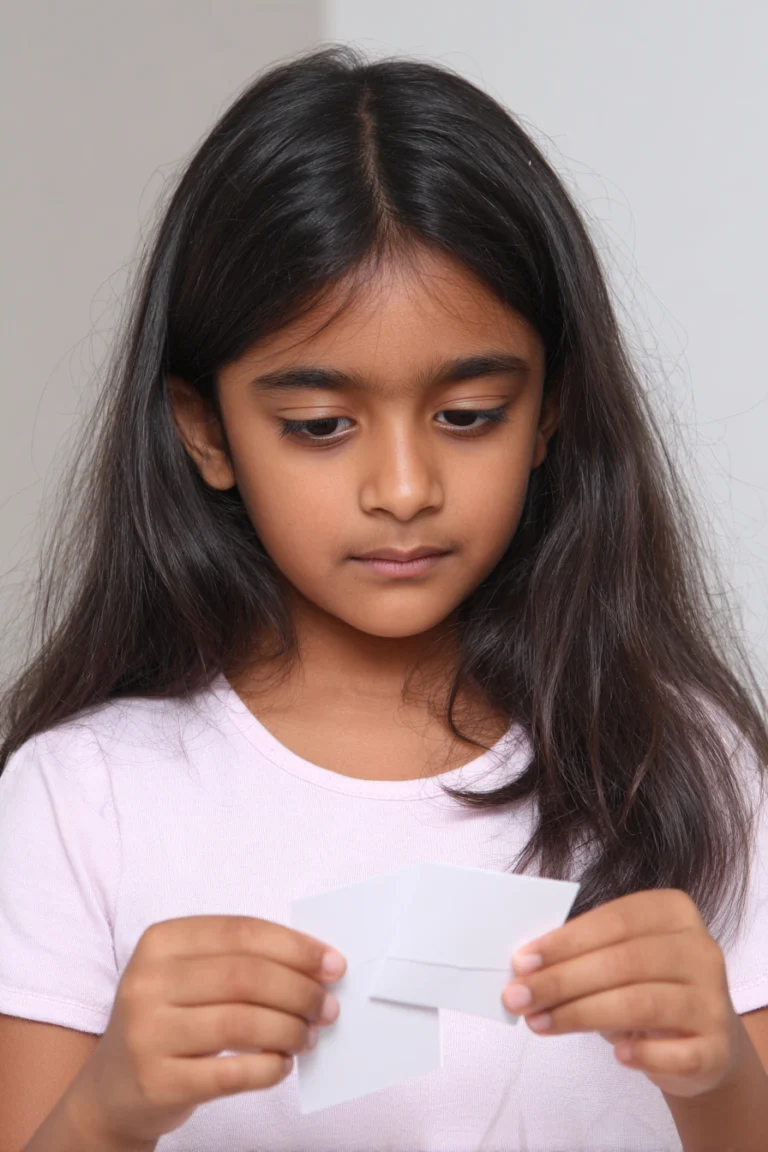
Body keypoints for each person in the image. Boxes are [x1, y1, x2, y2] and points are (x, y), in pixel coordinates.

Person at [0, 43, 767, 1152]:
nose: (402, 490)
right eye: (320, 427)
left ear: (551, 411)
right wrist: (111, 1111)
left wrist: (721, 1087)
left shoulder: (686, 766)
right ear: (205, 430)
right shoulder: (84, 798)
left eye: (468, 416)